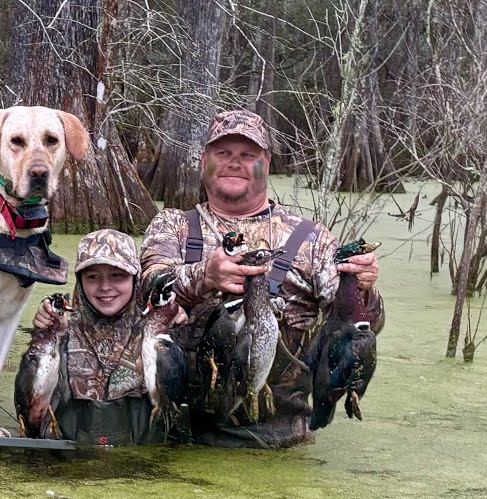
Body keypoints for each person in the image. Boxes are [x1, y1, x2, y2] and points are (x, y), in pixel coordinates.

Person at [139, 109, 384, 448]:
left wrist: (363, 288)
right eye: (223, 153)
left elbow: (362, 324)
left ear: (266, 163)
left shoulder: (309, 239)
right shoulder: (173, 227)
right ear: (203, 160)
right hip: (180, 437)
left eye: (247, 155)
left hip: (277, 439)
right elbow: (147, 287)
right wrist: (203, 275)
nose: (234, 162)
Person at [26, 229, 179, 446]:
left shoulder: (159, 332)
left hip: (146, 464)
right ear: (80, 280)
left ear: (135, 278)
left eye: (117, 275)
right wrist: (45, 331)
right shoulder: (59, 331)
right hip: (68, 466)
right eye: (93, 277)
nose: (105, 287)